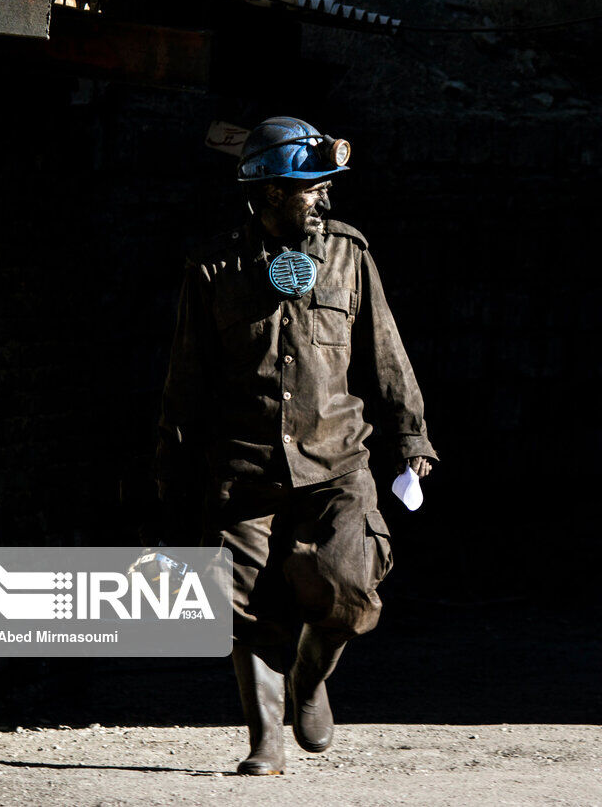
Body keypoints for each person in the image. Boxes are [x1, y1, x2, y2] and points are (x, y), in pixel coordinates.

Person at [153, 116, 438, 775]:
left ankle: (310, 676)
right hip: (243, 464)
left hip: (338, 461)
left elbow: (385, 353)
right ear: (273, 192)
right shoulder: (213, 268)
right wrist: (170, 474)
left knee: (353, 582)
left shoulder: (350, 254)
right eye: (310, 188)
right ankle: (265, 741)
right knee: (241, 600)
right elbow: (185, 378)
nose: (323, 198)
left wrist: (411, 432)